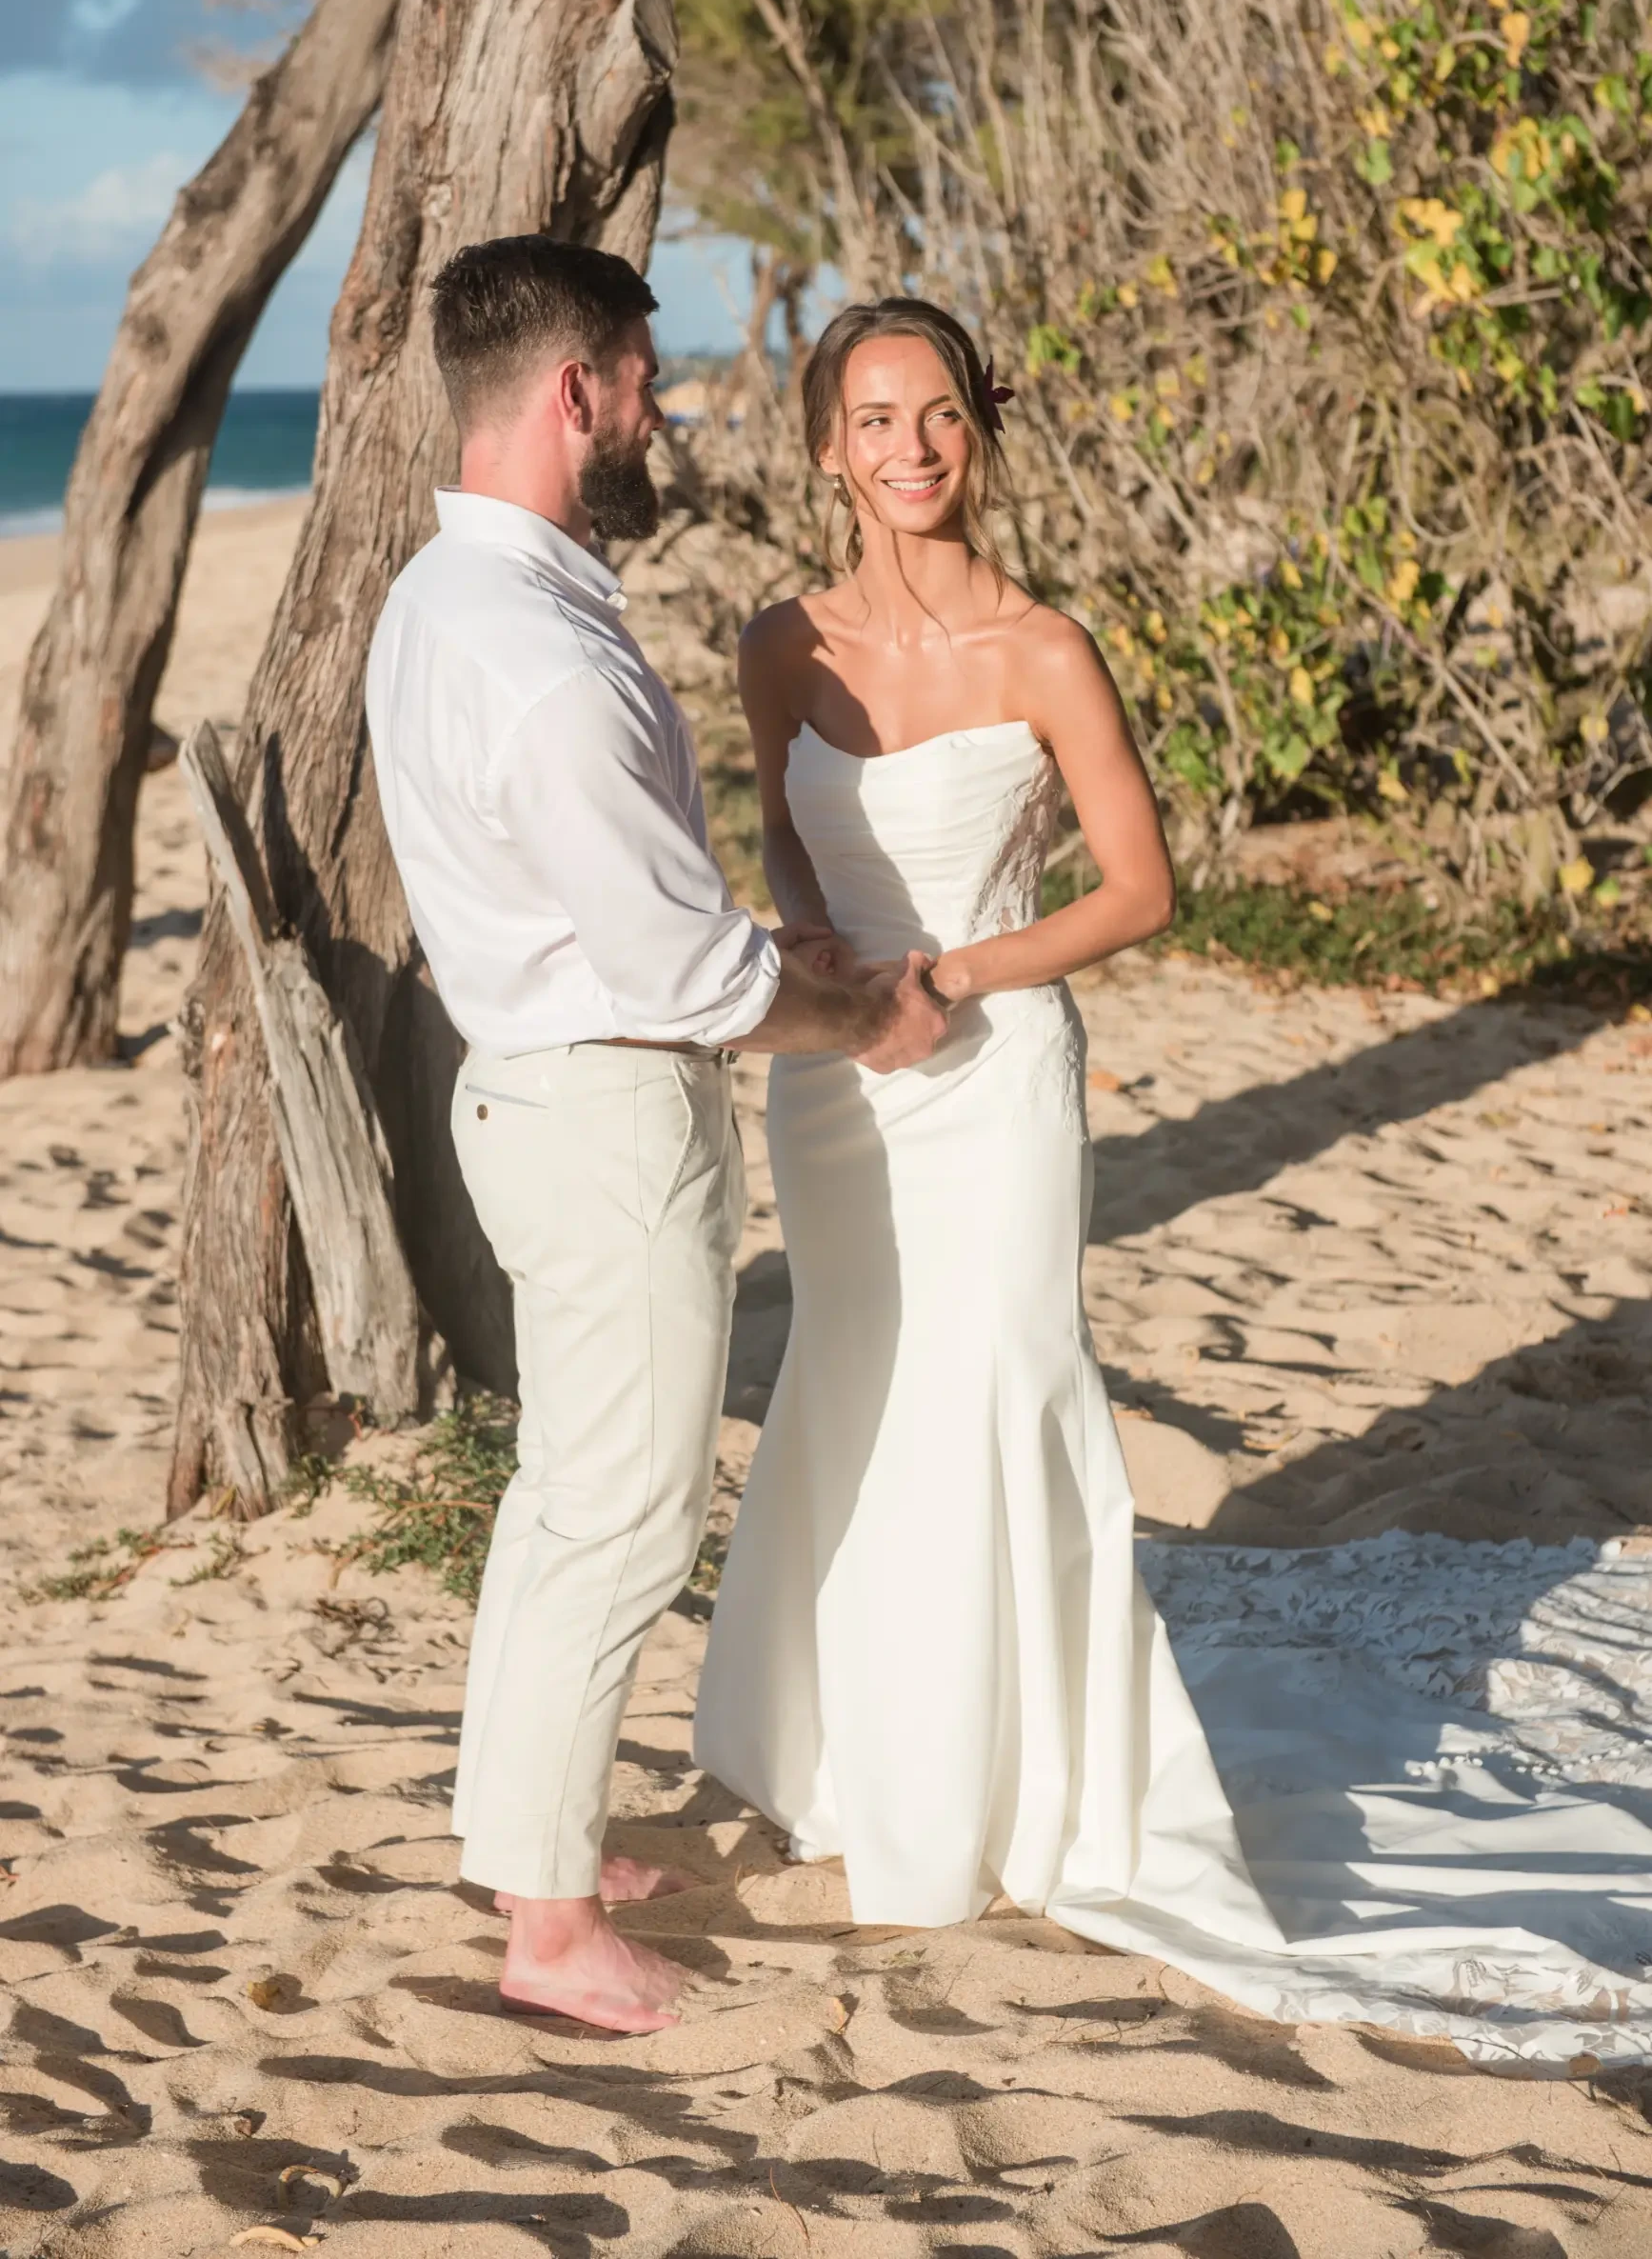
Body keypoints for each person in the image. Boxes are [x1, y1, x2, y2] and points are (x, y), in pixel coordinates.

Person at [690, 297, 1652, 2063]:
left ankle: (1010, 1790)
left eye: (940, 417)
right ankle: (861, 1758)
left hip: (988, 1072)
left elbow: (1139, 893)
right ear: (824, 444)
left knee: (999, 1389)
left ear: (979, 427)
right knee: (859, 1384)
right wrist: (820, 940)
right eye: (873, 420)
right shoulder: (780, 646)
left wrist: (957, 977)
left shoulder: (1042, 648)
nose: (910, 450)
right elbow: (777, 817)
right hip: (837, 1084)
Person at [365, 238, 948, 2036]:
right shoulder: (535, 649)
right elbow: (663, 973)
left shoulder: (436, 601)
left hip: (533, 1081)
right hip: (605, 1108)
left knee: (567, 1495)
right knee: (619, 1517)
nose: (656, 403)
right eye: (638, 373)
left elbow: (597, 912)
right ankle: (545, 1932)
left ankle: (517, 1837)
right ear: (570, 395)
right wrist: (858, 1010)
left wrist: (746, 951)